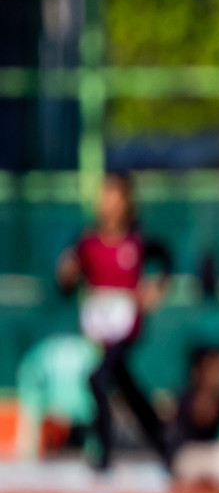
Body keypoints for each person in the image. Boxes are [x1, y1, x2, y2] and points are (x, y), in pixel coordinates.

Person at [55, 171, 174, 472]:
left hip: (126, 323)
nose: (106, 203)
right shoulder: (87, 242)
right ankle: (163, 441)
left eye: (113, 196)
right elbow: (68, 283)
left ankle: (103, 454)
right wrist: (66, 276)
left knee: (99, 378)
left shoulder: (137, 240)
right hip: (100, 324)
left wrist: (156, 289)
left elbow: (166, 260)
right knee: (124, 383)